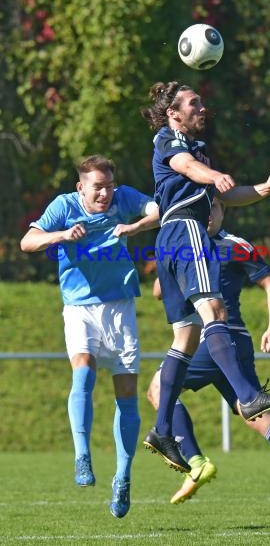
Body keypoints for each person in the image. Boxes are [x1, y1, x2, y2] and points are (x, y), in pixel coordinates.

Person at [141, 80, 270, 474]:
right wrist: (212, 176)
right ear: (174, 112)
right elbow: (186, 168)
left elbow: (227, 195)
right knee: (215, 309)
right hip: (185, 231)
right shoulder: (168, 139)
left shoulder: (198, 149)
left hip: (168, 242)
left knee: (186, 335)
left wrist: (264, 188)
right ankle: (247, 394)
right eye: (194, 103)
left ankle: (161, 431)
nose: (202, 108)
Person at [147, 199, 270, 516]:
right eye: (203, 209)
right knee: (255, 414)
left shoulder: (234, 245)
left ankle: (195, 461)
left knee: (158, 388)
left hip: (218, 335)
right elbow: (158, 291)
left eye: (214, 208)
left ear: (223, 211)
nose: (208, 214)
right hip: (232, 341)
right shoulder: (189, 243)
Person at [20, 154, 159, 519]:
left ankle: (123, 477)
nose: (106, 194)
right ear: (81, 187)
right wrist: (62, 235)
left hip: (120, 307)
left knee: (126, 396)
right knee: (83, 371)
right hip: (79, 308)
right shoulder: (64, 207)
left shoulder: (124, 197)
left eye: (109, 185)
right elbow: (27, 242)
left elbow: (158, 210)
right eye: (98, 187)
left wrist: (135, 227)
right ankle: (82, 456)